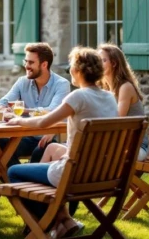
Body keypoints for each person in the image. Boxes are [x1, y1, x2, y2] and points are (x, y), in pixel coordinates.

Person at [7, 46, 117, 238]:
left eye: (71, 67)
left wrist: (18, 120)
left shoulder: (78, 96)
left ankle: (45, 223)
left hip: (74, 172)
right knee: (50, 151)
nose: (70, 71)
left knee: (13, 172)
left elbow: (43, 122)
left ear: (79, 71)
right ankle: (63, 219)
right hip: (102, 173)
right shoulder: (110, 98)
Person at [0, 42, 71, 166]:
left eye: (30, 63)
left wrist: (23, 110)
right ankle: (15, 180)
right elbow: (1, 103)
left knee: (39, 152)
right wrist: (2, 108)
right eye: (25, 61)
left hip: (48, 137)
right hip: (23, 137)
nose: (26, 66)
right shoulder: (22, 82)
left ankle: (16, 178)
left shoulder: (61, 84)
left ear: (44, 64)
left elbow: (52, 111)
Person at [98, 43, 149, 161]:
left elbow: (117, 120)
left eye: (103, 60)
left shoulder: (125, 87)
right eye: (98, 60)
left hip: (136, 147)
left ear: (114, 63)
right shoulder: (106, 88)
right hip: (119, 144)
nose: (98, 64)